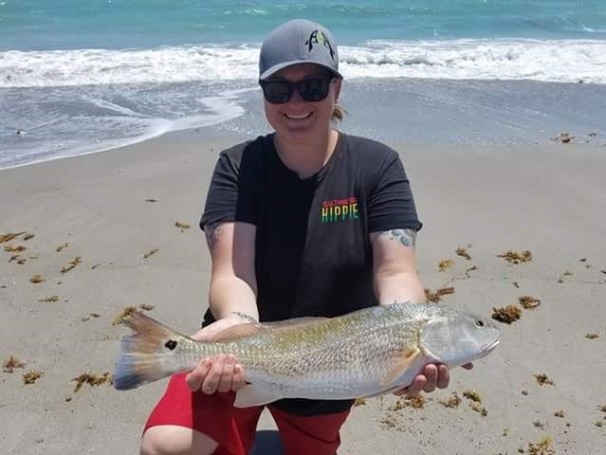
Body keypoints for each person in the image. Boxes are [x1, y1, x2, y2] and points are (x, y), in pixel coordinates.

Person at [140, 19, 468, 455]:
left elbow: (396, 270)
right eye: (279, 89)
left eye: (313, 86)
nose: (296, 102)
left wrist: (404, 340)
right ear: (263, 94)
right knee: (166, 447)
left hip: (338, 361)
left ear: (337, 88)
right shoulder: (239, 166)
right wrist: (237, 330)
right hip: (238, 352)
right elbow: (233, 273)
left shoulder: (378, 165)